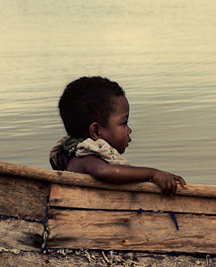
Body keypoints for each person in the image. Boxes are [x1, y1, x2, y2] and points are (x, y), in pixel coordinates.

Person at [50, 76, 187, 195]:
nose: (129, 130)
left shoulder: (75, 154)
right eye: (124, 123)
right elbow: (105, 172)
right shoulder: (86, 157)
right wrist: (153, 174)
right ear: (96, 132)